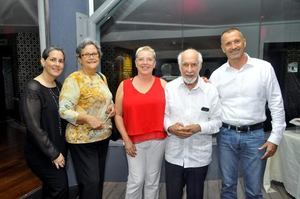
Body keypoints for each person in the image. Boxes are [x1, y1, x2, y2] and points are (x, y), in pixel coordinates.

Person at [209, 27, 286, 199]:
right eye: (228, 43)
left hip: (255, 136)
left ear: (244, 42)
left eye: (237, 41)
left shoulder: (264, 68)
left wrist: (275, 137)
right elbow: (209, 105)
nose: (233, 46)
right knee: (227, 186)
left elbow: (276, 103)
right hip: (226, 135)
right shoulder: (217, 75)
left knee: (253, 188)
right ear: (223, 48)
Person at [59, 38, 115, 199]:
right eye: (86, 54)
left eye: (94, 53)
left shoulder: (101, 77)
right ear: (80, 58)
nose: (91, 57)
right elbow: (63, 111)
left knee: (97, 182)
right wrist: (87, 118)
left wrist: (111, 107)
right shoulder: (73, 79)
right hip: (82, 140)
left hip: (102, 137)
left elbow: (106, 100)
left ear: (99, 56)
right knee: (90, 182)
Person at [164, 49, 222, 199]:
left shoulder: (210, 90)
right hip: (174, 156)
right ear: (179, 66)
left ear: (200, 66)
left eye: (194, 65)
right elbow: (162, 116)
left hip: (199, 158)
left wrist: (199, 127)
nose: (189, 70)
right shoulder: (169, 88)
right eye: (185, 65)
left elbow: (217, 122)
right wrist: (170, 127)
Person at [114, 46, 167, 199]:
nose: (145, 63)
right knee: (136, 181)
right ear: (135, 63)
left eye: (149, 59)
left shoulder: (163, 84)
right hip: (133, 142)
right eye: (141, 59)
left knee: (152, 181)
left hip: (158, 140)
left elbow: (181, 97)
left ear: (154, 63)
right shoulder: (124, 85)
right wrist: (126, 140)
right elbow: (118, 115)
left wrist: (201, 81)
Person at [22, 46, 68, 198]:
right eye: (53, 59)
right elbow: (33, 127)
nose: (57, 64)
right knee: (60, 188)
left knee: (51, 190)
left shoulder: (59, 86)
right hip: (42, 152)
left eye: (60, 61)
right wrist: (53, 153)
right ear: (43, 61)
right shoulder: (33, 88)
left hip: (58, 149)